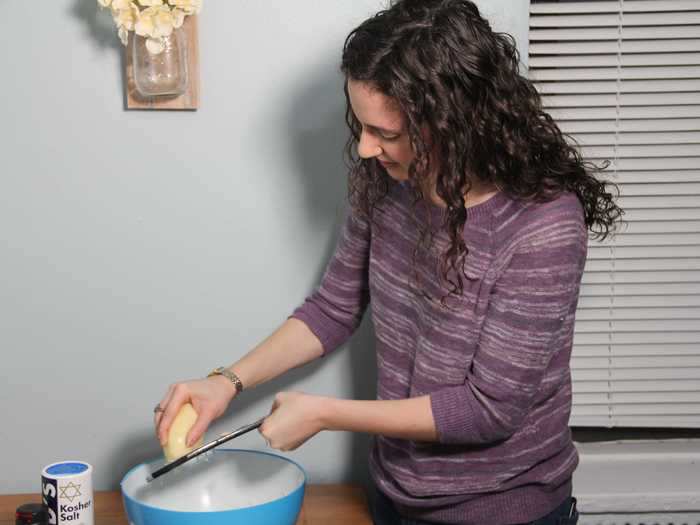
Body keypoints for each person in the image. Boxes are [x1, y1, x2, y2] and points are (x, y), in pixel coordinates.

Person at [153, 1, 622, 524]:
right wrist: (226, 382)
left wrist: (326, 414)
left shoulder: (544, 225)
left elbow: (488, 410)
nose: (368, 149)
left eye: (388, 134)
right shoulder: (387, 182)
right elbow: (334, 308)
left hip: (504, 510)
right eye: (362, 126)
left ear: (457, 122)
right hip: (394, 494)